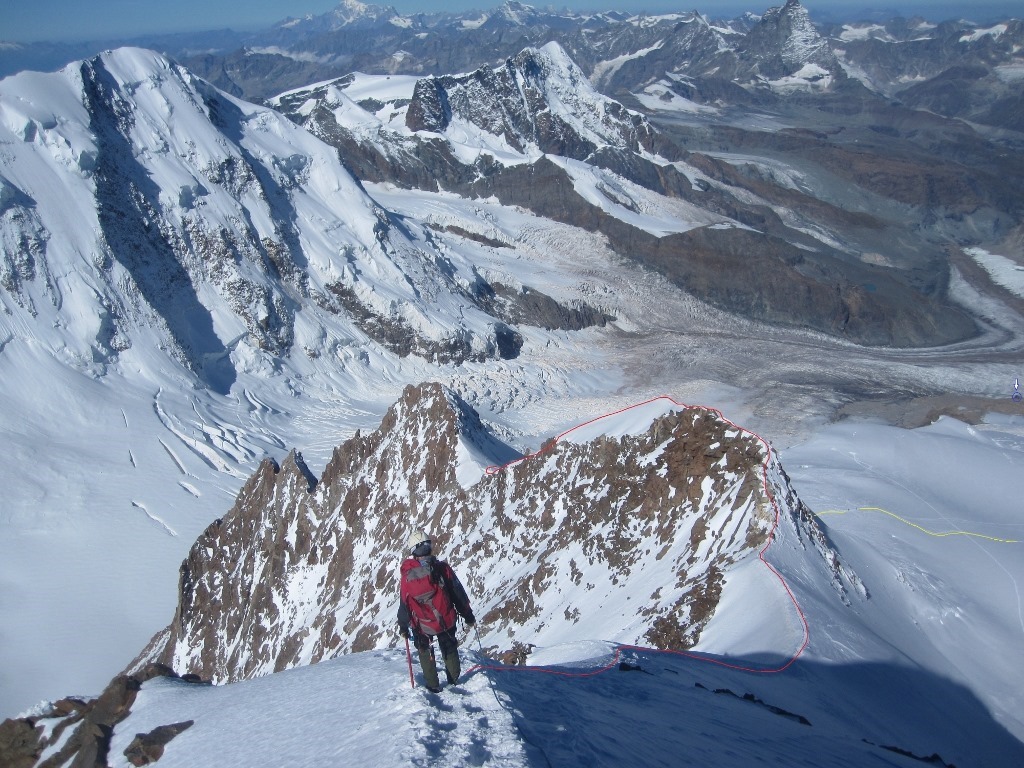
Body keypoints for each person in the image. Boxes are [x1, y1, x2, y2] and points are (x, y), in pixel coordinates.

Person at [397, 528, 476, 692]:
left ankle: (433, 685)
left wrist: (403, 626)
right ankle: (453, 681)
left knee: (425, 650)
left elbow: (404, 602)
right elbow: (457, 593)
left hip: (421, 623)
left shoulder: (407, 575)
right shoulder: (442, 569)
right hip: (445, 619)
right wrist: (467, 615)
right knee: (449, 647)